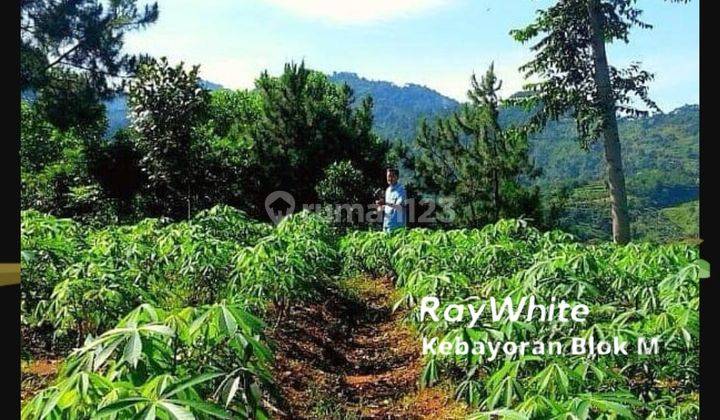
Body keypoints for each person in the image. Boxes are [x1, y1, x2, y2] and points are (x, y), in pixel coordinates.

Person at [375, 167, 406, 233]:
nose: (390, 178)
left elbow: (399, 207)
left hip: (397, 227)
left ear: (397, 177)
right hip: (387, 226)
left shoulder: (401, 190)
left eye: (392, 176)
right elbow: (388, 207)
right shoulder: (387, 190)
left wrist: (385, 203)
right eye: (388, 176)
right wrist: (380, 207)